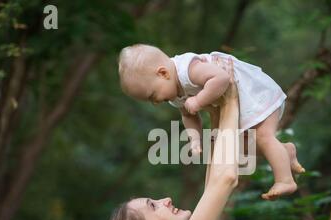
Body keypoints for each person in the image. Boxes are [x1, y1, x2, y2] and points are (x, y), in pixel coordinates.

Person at [103, 58, 239, 220]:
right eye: (154, 206)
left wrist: (217, 111)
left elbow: (212, 186)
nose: (166, 199)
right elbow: (225, 179)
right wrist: (231, 100)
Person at [118, 44, 305, 200]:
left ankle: (285, 180)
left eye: (152, 95)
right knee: (241, 148)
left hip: (256, 95)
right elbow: (189, 116)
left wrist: (199, 101)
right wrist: (195, 139)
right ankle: (285, 151)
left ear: (163, 73)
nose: (155, 102)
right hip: (241, 105)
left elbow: (221, 78)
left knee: (264, 137)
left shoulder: (188, 70)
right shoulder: (174, 93)